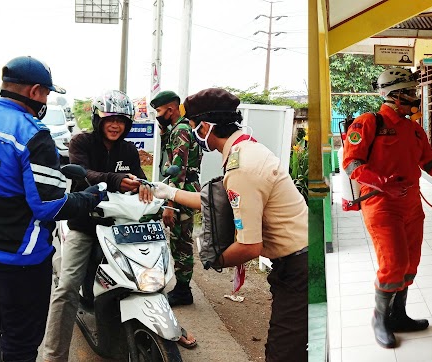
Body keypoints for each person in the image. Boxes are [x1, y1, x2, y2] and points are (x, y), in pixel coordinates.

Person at [0, 56, 104, 361]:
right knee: (20, 338)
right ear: (36, 91)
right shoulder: (32, 133)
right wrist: (91, 197)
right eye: (47, 94)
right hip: (21, 260)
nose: (46, 100)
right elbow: (49, 207)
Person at [152, 88, 308, 362]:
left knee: (283, 353)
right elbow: (217, 201)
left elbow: (249, 246)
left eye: (193, 126)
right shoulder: (245, 148)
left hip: (299, 268)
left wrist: (213, 258)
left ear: (207, 126)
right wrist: (168, 193)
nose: (193, 133)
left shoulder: (242, 166)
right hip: (298, 260)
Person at [42, 90, 196, 361]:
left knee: (148, 275)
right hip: (87, 224)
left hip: (123, 225)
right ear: (98, 120)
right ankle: (53, 355)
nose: (116, 125)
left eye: (122, 121)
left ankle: (161, 319)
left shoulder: (128, 150)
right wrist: (114, 179)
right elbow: (83, 171)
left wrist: (145, 189)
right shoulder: (81, 142)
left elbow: (136, 179)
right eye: (110, 119)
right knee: (66, 288)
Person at [343, 67, 432, 349]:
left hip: (411, 205)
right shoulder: (367, 123)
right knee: (393, 263)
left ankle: (398, 316)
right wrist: (383, 184)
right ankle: (380, 319)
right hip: (381, 204)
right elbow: (351, 164)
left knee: (410, 264)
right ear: (393, 95)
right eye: (410, 93)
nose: (415, 98)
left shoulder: (414, 129)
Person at [150, 90, 202, 306]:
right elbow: (169, 157)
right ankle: (180, 286)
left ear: (170, 109)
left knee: (181, 241)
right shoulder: (177, 129)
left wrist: (170, 206)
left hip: (181, 188)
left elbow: (178, 170)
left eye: (159, 111)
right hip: (180, 188)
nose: (157, 115)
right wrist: (163, 131)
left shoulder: (181, 130)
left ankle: (183, 290)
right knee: (177, 238)